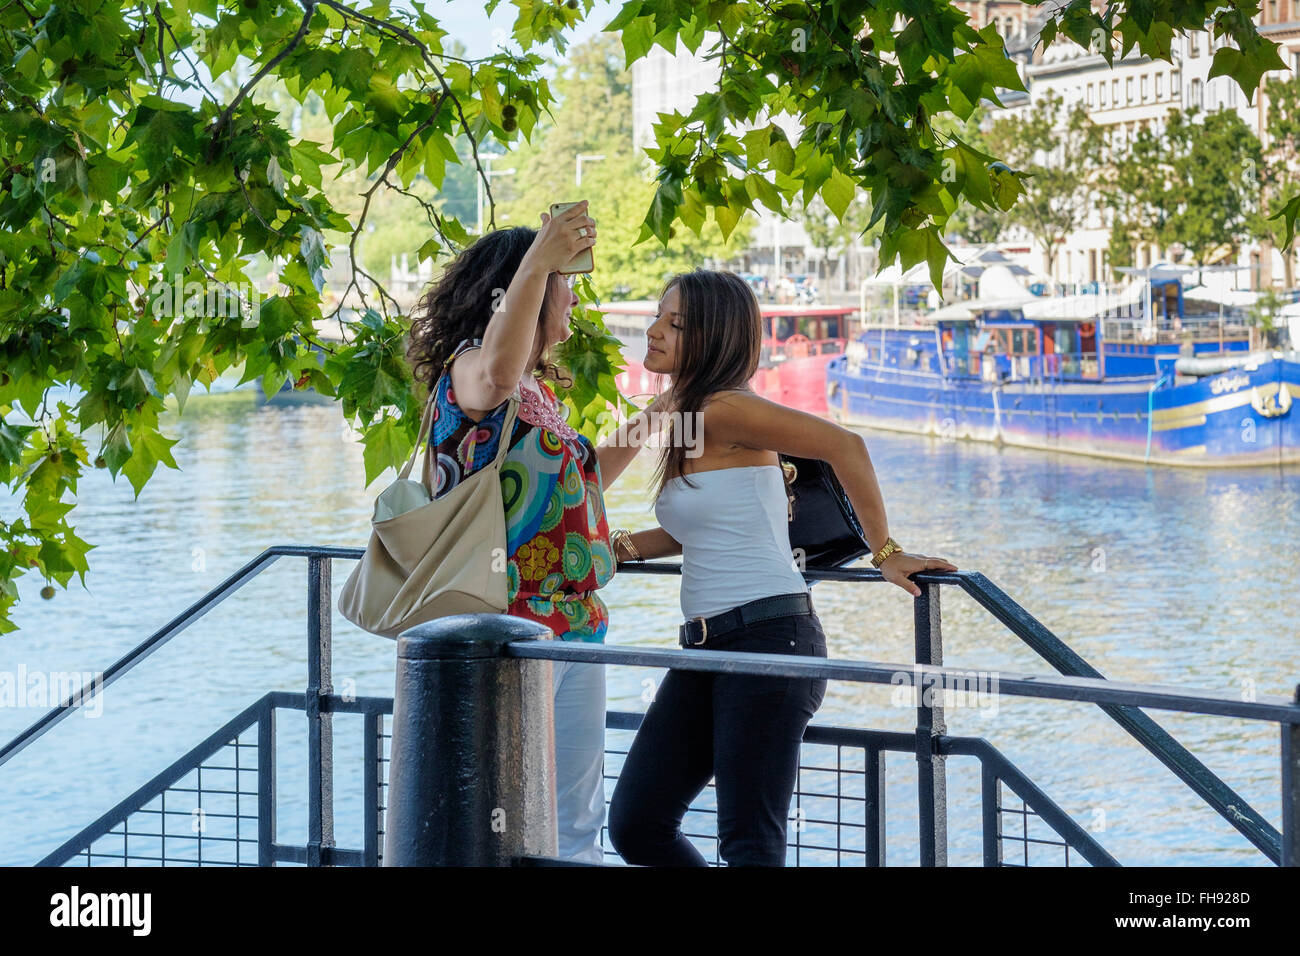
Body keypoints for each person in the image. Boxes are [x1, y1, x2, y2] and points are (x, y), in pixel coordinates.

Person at [606, 268, 957, 867]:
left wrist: (887, 552)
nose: (654, 329)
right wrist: (623, 547)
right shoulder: (692, 413)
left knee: (749, 844)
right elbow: (608, 483)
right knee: (638, 824)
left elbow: (845, 445)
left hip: (770, 641)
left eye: (676, 323)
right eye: (658, 316)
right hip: (708, 648)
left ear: (714, 339)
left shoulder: (724, 409)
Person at [404, 202, 659, 863]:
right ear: (528, 290)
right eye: (563, 285)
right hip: (505, 625)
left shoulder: (539, 395)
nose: (573, 299)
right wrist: (541, 255)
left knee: (574, 824)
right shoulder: (472, 372)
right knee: (506, 817)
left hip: (573, 620)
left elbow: (588, 476)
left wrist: (664, 410)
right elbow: (496, 368)